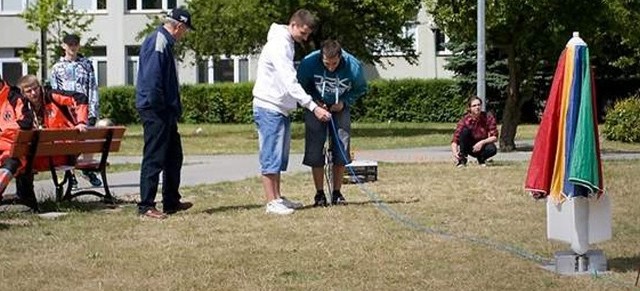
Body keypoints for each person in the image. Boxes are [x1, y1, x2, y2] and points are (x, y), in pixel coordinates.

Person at [252, 9, 332, 215]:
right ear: (293, 24)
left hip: (280, 108)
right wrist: (313, 107)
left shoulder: (286, 42)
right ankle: (271, 201)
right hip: (269, 106)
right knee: (271, 154)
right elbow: (289, 81)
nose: (304, 38)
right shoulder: (279, 44)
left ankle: (278, 197)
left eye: (307, 35)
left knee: (279, 155)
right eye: (303, 33)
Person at [135, 7, 195, 219]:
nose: (184, 34)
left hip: (164, 110)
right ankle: (146, 205)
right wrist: (161, 107)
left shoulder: (165, 42)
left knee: (173, 156)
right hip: (156, 110)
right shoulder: (158, 42)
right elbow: (152, 81)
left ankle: (171, 201)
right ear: (178, 26)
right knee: (154, 156)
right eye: (185, 29)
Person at [297, 40, 367, 207]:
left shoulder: (353, 66)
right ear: (321, 57)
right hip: (316, 107)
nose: (330, 68)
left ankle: (337, 193)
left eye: (334, 63)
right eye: (326, 64)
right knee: (315, 148)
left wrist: (344, 102)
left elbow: (361, 88)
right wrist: (314, 103)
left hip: (340, 106)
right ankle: (319, 194)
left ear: (340, 57)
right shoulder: (308, 63)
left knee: (341, 147)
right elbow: (299, 87)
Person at [15, 74, 89, 211]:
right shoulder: (22, 107)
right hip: (52, 156)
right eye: (29, 91)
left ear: (40, 87)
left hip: (62, 156)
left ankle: (27, 201)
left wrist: (81, 122)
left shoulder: (51, 96)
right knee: (22, 159)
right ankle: (27, 200)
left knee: (21, 162)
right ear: (22, 93)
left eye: (35, 88)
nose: (33, 93)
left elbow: (80, 97)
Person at [50, 33, 102, 188]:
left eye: (75, 44)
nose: (72, 47)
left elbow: (92, 88)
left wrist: (93, 111)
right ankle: (70, 174)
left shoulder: (86, 64)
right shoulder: (57, 68)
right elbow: (55, 92)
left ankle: (86, 168)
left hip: (84, 110)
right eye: (69, 44)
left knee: (87, 140)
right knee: (68, 143)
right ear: (64, 46)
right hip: (66, 112)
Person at [0, 75, 33, 209]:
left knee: (10, 164)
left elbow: (26, 122)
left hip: (14, 152)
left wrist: (3, 130)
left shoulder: (14, 97)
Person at [451, 96, 498, 167]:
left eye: (479, 105)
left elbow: (494, 137)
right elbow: (455, 139)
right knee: (464, 131)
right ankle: (462, 160)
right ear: (470, 108)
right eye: (474, 105)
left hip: (482, 145)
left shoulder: (488, 117)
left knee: (492, 149)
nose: (477, 107)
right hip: (469, 146)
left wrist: (482, 142)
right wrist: (455, 152)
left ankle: (481, 159)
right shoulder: (464, 120)